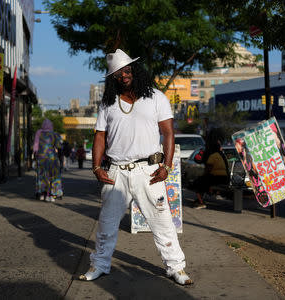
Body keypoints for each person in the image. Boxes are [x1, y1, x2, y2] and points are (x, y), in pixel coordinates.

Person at [78, 49, 192, 285]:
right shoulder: (107, 103)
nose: (124, 74)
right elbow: (99, 136)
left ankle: (176, 268)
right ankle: (99, 265)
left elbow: (168, 133)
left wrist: (167, 167)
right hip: (116, 172)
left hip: (148, 171)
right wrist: (96, 167)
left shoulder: (156, 98)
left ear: (135, 70)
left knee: (162, 222)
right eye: (118, 72)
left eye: (127, 69)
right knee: (106, 224)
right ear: (113, 78)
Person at [192, 130, 229, 209]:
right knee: (202, 182)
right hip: (224, 178)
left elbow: (208, 169)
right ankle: (200, 199)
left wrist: (203, 176)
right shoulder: (220, 155)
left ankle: (201, 202)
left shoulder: (212, 156)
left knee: (196, 184)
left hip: (216, 178)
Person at [33, 119, 63, 202]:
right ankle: (53, 194)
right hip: (52, 158)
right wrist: (60, 159)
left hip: (41, 158)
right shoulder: (55, 135)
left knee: (42, 176)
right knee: (54, 176)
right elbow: (59, 147)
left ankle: (43, 193)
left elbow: (35, 147)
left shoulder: (39, 133)